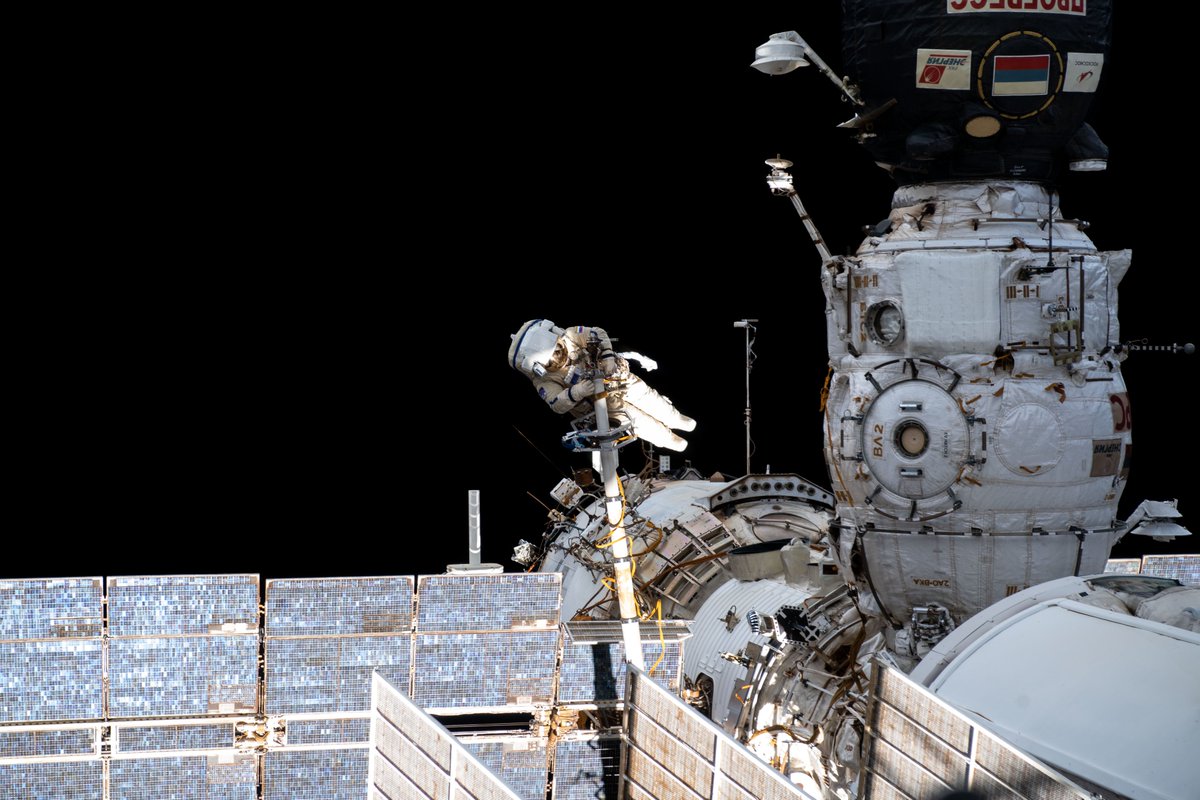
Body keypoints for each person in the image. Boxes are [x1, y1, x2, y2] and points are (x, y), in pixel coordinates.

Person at [508, 319, 696, 451]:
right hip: (602, 406)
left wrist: (606, 355)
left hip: (618, 379)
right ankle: (669, 439)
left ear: (557, 340)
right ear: (539, 366)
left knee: (652, 401)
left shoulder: (571, 335)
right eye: (552, 360)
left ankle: (676, 419)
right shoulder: (543, 380)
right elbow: (555, 403)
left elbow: (597, 332)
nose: (559, 358)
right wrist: (576, 392)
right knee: (640, 424)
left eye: (558, 350)